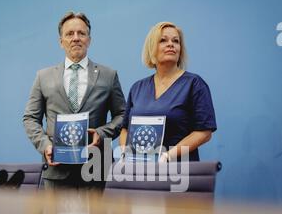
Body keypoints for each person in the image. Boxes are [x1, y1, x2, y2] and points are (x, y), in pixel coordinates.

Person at [23, 11, 126, 189]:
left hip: (97, 168)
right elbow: (30, 118)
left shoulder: (109, 75)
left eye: (81, 33)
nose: (76, 38)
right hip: (56, 170)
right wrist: (45, 145)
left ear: (89, 39)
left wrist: (102, 134)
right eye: (69, 34)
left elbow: (123, 114)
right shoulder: (43, 76)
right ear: (61, 41)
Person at [119, 22, 216, 162]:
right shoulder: (137, 88)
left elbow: (204, 132)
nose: (171, 44)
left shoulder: (194, 84)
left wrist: (168, 155)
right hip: (140, 171)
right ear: (152, 48)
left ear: (180, 49)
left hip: (179, 172)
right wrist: (125, 152)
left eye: (176, 41)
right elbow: (125, 129)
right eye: (163, 40)